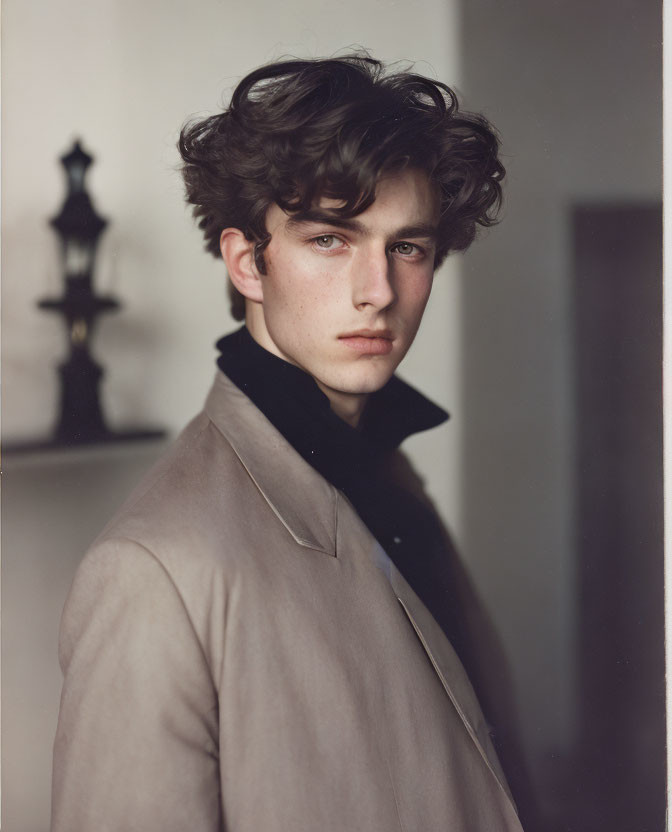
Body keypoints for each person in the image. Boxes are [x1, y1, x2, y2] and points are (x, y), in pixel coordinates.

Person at [51, 54, 526, 831]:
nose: (378, 292)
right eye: (332, 240)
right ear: (248, 262)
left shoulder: (389, 476)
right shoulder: (153, 572)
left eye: (407, 247)